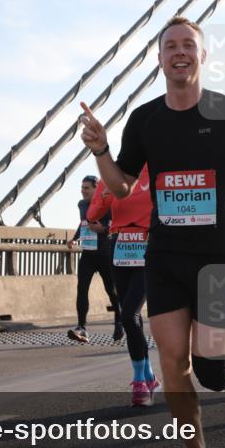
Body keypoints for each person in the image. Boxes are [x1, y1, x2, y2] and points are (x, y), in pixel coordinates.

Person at [78, 16, 225, 448]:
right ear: (160, 58)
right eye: (170, 46)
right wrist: (102, 150)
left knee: (210, 366)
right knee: (172, 360)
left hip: (214, 258)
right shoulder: (145, 119)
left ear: (203, 55)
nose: (179, 52)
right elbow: (122, 184)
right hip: (165, 255)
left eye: (188, 44)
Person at [88, 165, 159, 406]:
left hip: (148, 246)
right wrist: (106, 194)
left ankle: (140, 381)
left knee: (129, 315)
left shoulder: (159, 168)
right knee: (130, 316)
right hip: (119, 246)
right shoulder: (114, 173)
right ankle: (149, 376)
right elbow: (92, 214)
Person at [66, 175, 122, 343]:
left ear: (96, 189)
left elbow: (114, 226)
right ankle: (81, 328)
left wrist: (103, 229)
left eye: (86, 188)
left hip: (105, 254)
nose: (83, 191)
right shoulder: (82, 204)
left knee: (111, 291)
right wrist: (74, 238)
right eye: (82, 188)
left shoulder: (108, 204)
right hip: (88, 254)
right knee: (81, 289)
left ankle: (119, 322)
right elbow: (84, 222)